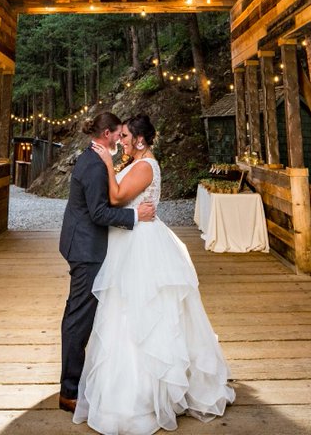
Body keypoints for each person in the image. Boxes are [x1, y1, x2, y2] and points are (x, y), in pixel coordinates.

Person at [74, 114, 234, 435]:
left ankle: (149, 393)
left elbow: (117, 197)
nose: (121, 141)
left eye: (126, 136)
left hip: (142, 246)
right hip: (129, 239)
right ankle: (127, 388)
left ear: (140, 140)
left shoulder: (146, 166)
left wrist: (106, 163)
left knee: (144, 312)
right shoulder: (136, 162)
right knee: (122, 312)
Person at [59, 112, 157, 414]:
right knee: (79, 317)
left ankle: (83, 382)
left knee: (82, 314)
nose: (120, 139)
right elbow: (99, 213)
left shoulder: (96, 159)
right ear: (106, 134)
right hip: (86, 249)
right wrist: (135, 215)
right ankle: (69, 391)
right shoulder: (93, 164)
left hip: (90, 245)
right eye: (118, 134)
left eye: (125, 135)